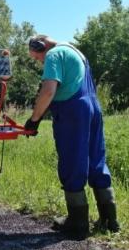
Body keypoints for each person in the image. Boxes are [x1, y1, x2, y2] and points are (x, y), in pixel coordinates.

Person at [25, 35, 120, 239]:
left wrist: (34, 119)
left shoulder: (53, 54)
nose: (39, 61)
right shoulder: (76, 52)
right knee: (96, 160)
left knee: (72, 161)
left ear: (40, 46)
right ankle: (109, 220)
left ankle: (77, 223)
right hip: (93, 107)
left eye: (36, 57)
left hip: (73, 110)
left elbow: (49, 90)